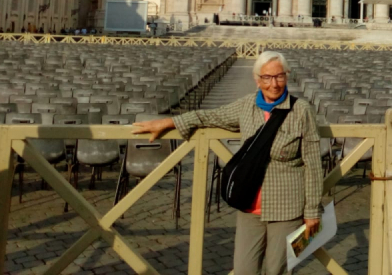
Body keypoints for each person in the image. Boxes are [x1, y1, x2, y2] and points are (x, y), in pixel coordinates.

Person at [133, 52, 322, 275]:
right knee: (244, 269)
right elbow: (208, 116)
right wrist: (169, 122)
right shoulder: (246, 106)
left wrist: (312, 212)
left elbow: (313, 164)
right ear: (257, 79)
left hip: (287, 207)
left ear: (287, 76)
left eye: (279, 77)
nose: (274, 84)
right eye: (267, 78)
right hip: (249, 203)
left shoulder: (302, 111)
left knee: (277, 270)